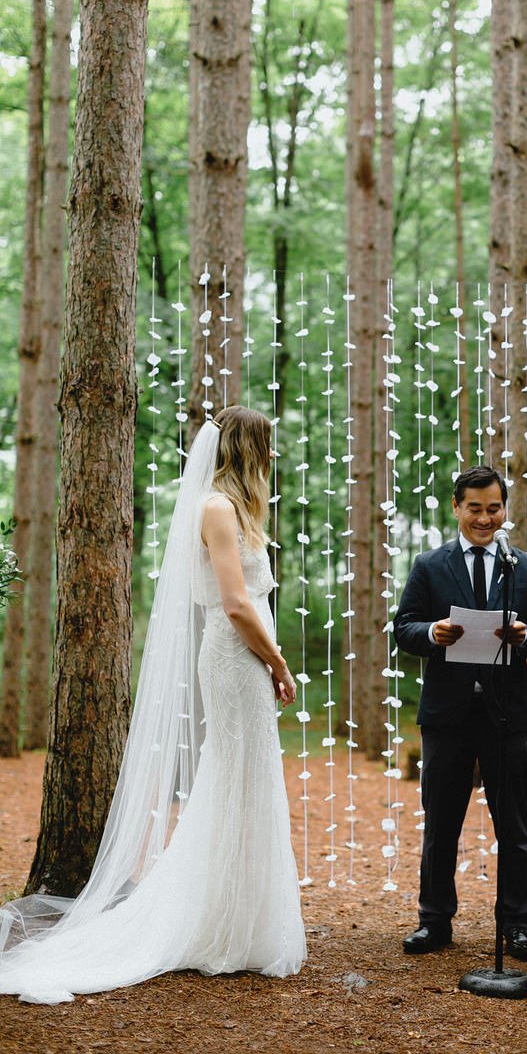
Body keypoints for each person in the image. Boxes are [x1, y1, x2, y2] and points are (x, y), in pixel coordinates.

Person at [0, 407, 306, 1004]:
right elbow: (236, 603)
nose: (272, 458)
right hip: (235, 655)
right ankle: (214, 920)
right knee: (235, 775)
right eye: (266, 447)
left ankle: (239, 917)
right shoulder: (217, 509)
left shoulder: (241, 510)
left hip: (249, 654)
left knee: (247, 777)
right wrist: (279, 662)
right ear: (246, 448)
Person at [393, 465, 527, 959]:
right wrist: (431, 634)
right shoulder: (429, 564)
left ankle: (516, 923)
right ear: (456, 508)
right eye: (475, 509)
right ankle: (434, 921)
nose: (485, 519)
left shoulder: (525, 567)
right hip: (447, 714)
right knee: (441, 821)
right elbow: (403, 628)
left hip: (507, 714)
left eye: (494, 509)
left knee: (514, 826)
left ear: (505, 509)